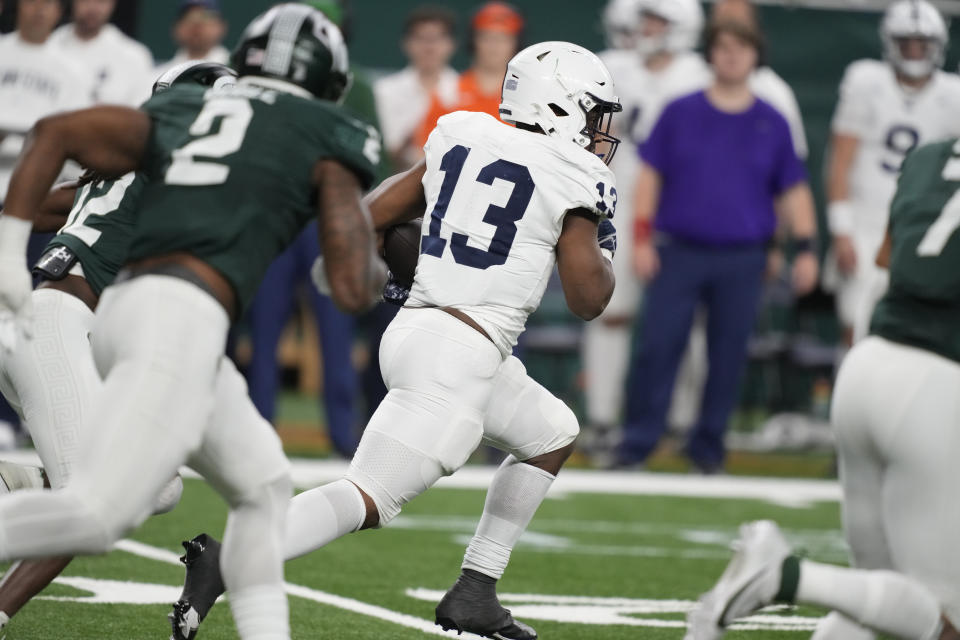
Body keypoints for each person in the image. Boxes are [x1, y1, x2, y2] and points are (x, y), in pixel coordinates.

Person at [166, 40, 620, 640]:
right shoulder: (574, 173)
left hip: (423, 331)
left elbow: (377, 208)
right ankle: (226, 561)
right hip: (460, 353)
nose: (599, 131)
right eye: (592, 113)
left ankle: (476, 590)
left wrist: (375, 256)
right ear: (562, 106)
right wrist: (596, 233)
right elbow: (590, 300)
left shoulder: (465, 132)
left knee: (552, 433)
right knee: (369, 496)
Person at [0, 6, 384, 640]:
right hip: (163, 315)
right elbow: (348, 286)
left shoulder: (173, 115)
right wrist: (374, 261)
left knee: (257, 486)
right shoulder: (316, 126)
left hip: (124, 312)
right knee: (97, 512)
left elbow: (57, 133)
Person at [684, 137, 960, 640]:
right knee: (944, 619)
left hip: (869, 367)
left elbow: (886, 260)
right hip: (936, 382)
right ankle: (784, 574)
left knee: (876, 601)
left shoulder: (932, 154)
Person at [0, 61, 236, 635]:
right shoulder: (184, 168)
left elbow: (52, 202)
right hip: (58, 323)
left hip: (50, 325)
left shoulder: (124, 160)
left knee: (156, 485)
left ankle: (12, 484)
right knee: (90, 506)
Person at [619, 20, 818, 472]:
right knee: (657, 349)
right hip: (679, 251)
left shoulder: (772, 119)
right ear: (710, 54)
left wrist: (803, 248)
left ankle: (708, 450)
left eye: (741, 48)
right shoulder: (679, 110)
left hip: (743, 257)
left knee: (727, 355)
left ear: (755, 57)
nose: (731, 56)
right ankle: (637, 444)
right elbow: (649, 177)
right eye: (723, 47)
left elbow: (792, 190)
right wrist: (642, 238)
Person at [585, 0, 706, 464]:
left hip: (684, 207)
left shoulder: (700, 73)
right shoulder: (613, 67)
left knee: (686, 321)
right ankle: (601, 419)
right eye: (645, 19)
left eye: (658, 21)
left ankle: (681, 422)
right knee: (611, 313)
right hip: (618, 203)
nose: (646, 28)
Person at [825, 0, 960, 346]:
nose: (914, 51)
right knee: (856, 322)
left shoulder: (952, 94)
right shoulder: (866, 81)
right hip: (867, 219)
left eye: (922, 44)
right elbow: (840, 159)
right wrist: (842, 229)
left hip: (920, 223)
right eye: (906, 43)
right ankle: (850, 395)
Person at [412, 1, 523, 151]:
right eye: (487, 37)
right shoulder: (449, 92)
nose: (494, 46)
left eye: (503, 38)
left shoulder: (525, 97)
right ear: (474, 41)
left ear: (515, 44)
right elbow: (424, 153)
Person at [375, 5, 458, 171]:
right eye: (421, 38)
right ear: (407, 43)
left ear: (451, 44)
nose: (429, 47)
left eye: (436, 38)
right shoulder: (384, 91)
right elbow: (380, 154)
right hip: (397, 181)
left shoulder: (464, 90)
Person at [49, 0, 155, 105]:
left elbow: (139, 113)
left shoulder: (135, 56)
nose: (92, 7)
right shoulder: (49, 45)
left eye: (101, 1)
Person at [153, 0, 229, 78]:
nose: (197, 24)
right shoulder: (158, 77)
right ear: (176, 27)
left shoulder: (236, 74)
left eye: (206, 17)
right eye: (188, 17)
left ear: (221, 26)